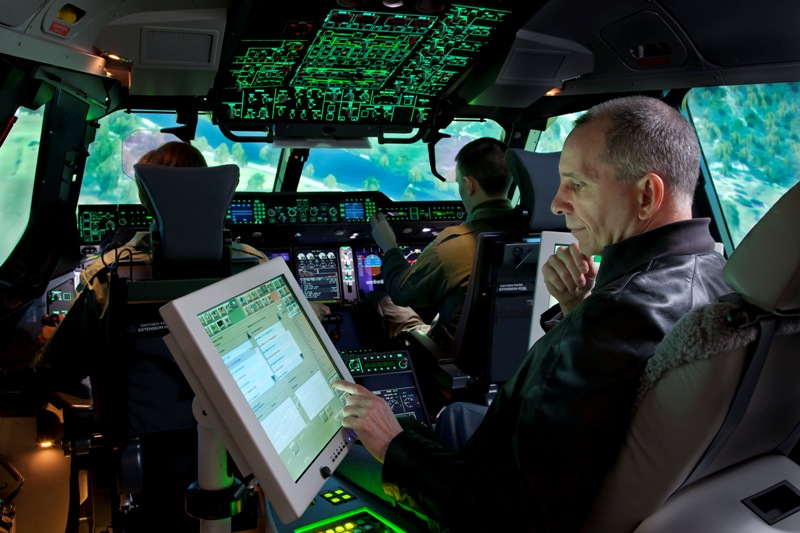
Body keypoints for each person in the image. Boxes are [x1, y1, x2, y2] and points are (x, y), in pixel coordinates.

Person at [333, 96, 731, 532]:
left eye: (577, 184)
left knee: (345, 459)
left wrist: (393, 446)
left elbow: (515, 513)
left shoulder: (614, 322)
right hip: (518, 460)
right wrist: (578, 308)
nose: (557, 205)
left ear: (647, 195)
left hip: (487, 495)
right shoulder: (716, 279)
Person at [32, 141, 269, 382]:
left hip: (139, 417)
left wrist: (50, 340)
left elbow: (60, 367)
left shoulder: (110, 272)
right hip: (229, 416)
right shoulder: (253, 264)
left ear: (147, 199)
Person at [365, 137, 516, 353]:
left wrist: (389, 246)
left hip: (448, 361)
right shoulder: (533, 234)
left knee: (379, 302)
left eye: (458, 182)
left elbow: (401, 292)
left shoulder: (456, 245)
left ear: (469, 185)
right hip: (508, 356)